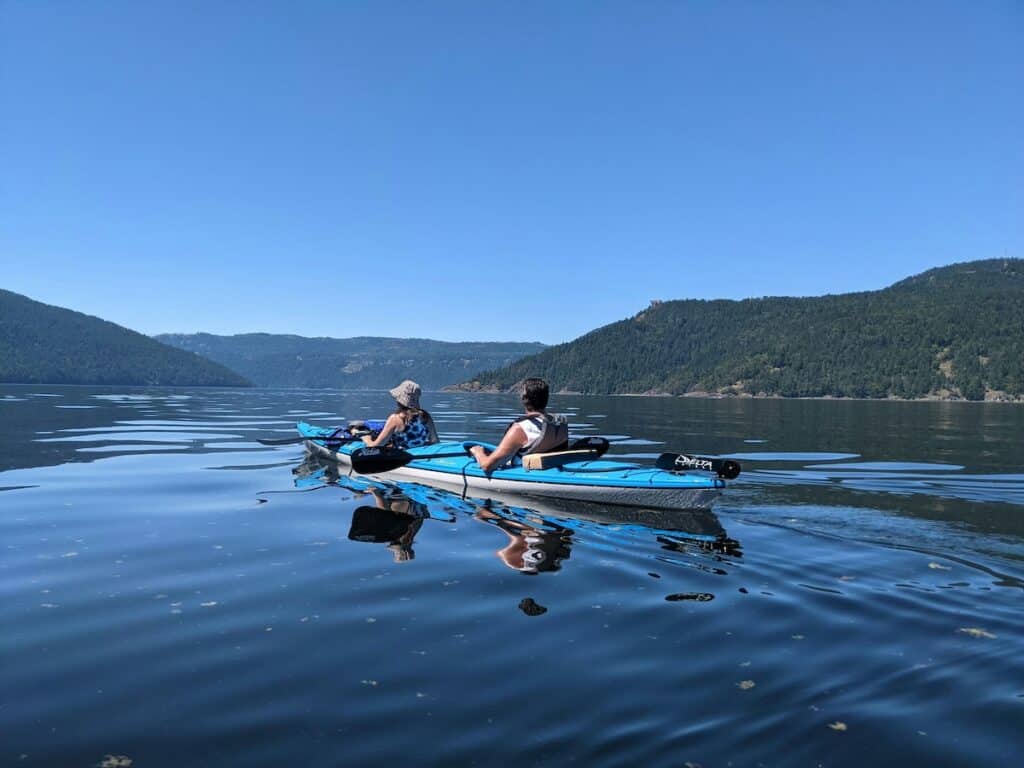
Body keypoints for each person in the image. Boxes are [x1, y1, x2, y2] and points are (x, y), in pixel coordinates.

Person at [469, 377, 568, 472]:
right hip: (550, 467)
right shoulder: (557, 424)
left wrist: (478, 452)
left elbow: (487, 466)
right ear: (546, 399)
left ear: (523, 399)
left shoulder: (519, 429)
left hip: (526, 471)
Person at [360, 380, 439, 450]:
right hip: (418, 454)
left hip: (401, 457)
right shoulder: (426, 416)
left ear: (399, 400)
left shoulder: (395, 418)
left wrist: (367, 439)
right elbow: (435, 441)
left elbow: (375, 446)